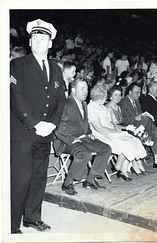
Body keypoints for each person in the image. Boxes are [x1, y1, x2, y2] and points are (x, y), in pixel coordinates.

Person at [10, 19, 66, 234]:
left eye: (43, 39)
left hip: (45, 134)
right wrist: (34, 123)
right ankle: (13, 224)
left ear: (50, 43)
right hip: (23, 133)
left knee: (38, 179)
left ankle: (32, 218)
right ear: (30, 41)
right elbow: (16, 97)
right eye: (35, 39)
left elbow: (61, 100)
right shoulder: (18, 65)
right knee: (21, 180)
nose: (38, 42)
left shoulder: (56, 70)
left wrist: (52, 124)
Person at [53, 78, 112, 195]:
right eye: (82, 88)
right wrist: (71, 140)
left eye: (86, 88)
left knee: (106, 148)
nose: (86, 91)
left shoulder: (84, 104)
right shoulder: (65, 104)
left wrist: (89, 132)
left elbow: (84, 123)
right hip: (66, 141)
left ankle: (90, 180)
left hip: (82, 138)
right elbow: (58, 127)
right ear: (73, 90)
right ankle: (67, 183)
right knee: (85, 153)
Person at [87, 85, 147, 178]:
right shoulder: (92, 108)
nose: (106, 98)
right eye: (105, 96)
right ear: (100, 97)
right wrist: (115, 132)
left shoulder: (101, 107)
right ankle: (120, 167)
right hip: (102, 134)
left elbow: (111, 123)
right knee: (126, 143)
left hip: (110, 132)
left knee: (133, 139)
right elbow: (99, 128)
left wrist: (120, 129)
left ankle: (121, 167)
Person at [118, 82, 157, 170]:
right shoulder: (124, 102)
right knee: (146, 119)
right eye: (136, 93)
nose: (138, 95)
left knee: (154, 134)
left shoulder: (137, 102)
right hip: (129, 128)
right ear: (130, 92)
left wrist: (141, 116)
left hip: (140, 128)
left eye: (139, 93)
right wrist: (135, 118)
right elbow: (123, 121)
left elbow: (141, 115)